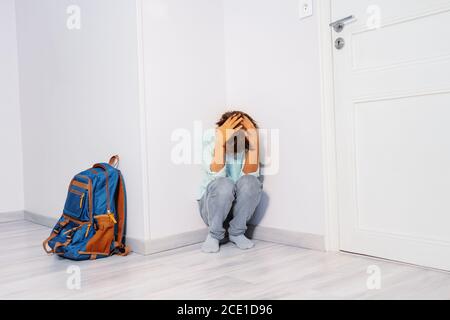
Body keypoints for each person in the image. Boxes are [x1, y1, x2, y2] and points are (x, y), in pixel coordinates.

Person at [198, 111, 262, 253]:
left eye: (243, 129)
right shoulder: (210, 144)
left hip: (237, 211)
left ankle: (236, 233)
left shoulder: (245, 150)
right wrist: (221, 141)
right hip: (211, 208)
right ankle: (214, 235)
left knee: (252, 182)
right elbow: (217, 178)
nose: (237, 133)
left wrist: (254, 142)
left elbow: (249, 181)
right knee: (224, 183)